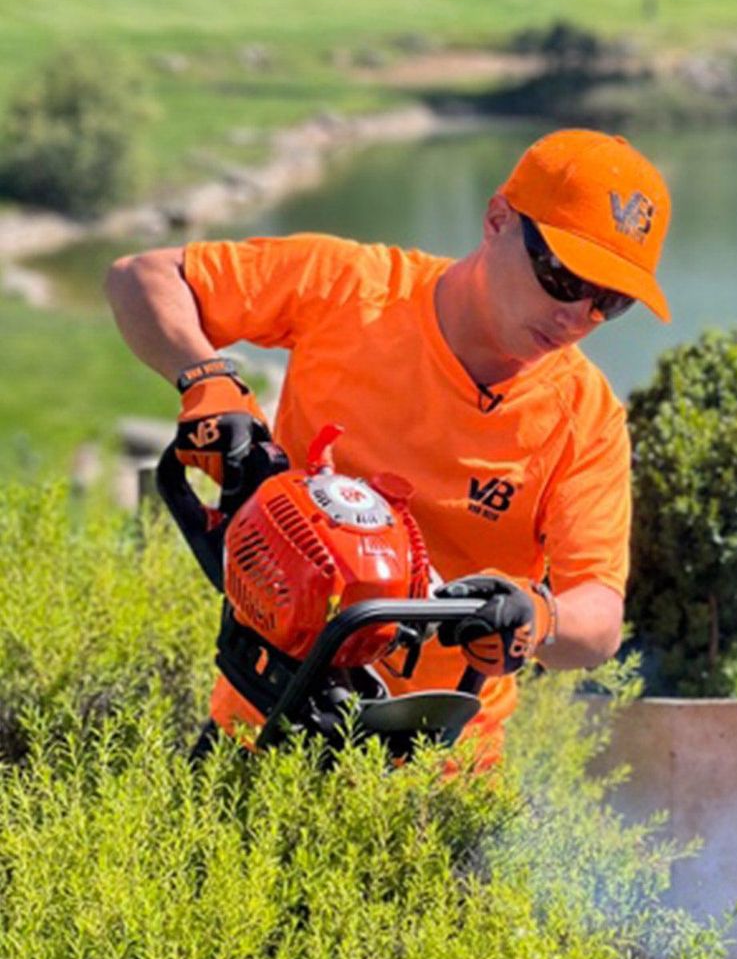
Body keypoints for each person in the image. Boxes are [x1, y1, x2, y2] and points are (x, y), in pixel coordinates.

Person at [105, 128, 673, 759]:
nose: (577, 317)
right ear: (498, 220)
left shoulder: (586, 420)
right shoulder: (354, 289)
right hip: (263, 725)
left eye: (609, 302)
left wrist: (537, 618)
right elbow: (142, 279)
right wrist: (209, 382)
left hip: (440, 767)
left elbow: (597, 619)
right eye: (562, 278)